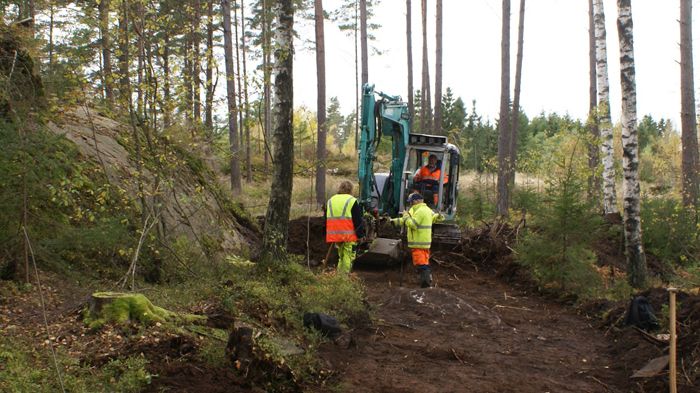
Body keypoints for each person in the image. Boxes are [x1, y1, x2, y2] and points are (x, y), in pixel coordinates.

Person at [390, 192, 444, 287]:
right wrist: (392, 222)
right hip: (424, 243)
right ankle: (427, 281)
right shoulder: (424, 210)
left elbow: (413, 224)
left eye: (411, 202)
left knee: (421, 264)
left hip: (419, 243)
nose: (410, 203)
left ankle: (425, 285)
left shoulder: (420, 211)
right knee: (423, 262)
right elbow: (434, 217)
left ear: (415, 201)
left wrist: (406, 217)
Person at [324, 181, 365, 274]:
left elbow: (326, 217)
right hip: (348, 234)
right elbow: (357, 219)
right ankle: (345, 278)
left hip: (334, 233)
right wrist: (360, 235)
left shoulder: (331, 200)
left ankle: (340, 277)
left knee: (341, 255)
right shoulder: (352, 200)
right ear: (351, 189)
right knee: (348, 256)